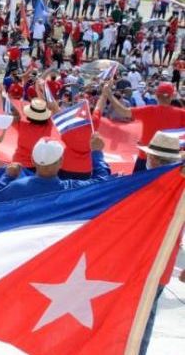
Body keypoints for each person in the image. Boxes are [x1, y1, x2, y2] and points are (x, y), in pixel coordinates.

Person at [133, 131, 184, 355]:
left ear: (151, 159)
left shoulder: (135, 186)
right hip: (160, 266)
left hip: (131, 264)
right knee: (143, 321)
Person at [0, 133, 111, 204]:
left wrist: (8, 176)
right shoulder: (72, 189)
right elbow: (104, 183)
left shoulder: (16, 187)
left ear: (33, 161)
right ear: (61, 162)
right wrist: (96, 153)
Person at [103, 81, 185, 171]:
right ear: (172, 96)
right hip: (169, 160)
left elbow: (124, 112)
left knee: (138, 184)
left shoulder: (148, 110)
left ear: (157, 96)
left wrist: (110, 95)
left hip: (146, 158)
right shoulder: (181, 114)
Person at [9, 97, 56, 172]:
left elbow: (11, 114)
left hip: (18, 164)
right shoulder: (48, 126)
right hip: (38, 165)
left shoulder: (21, 125)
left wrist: (2, 95)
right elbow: (54, 109)